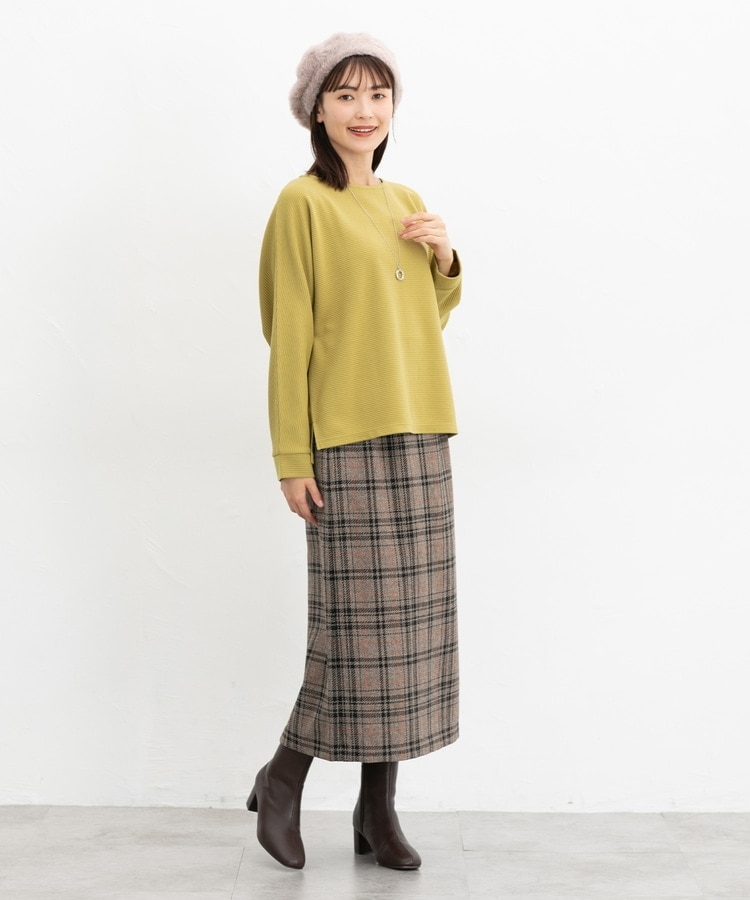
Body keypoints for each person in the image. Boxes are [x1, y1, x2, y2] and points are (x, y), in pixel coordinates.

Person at [248, 31, 462, 871]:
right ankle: (283, 778)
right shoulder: (302, 204)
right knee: (352, 634)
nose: (364, 111)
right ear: (317, 110)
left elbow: (421, 318)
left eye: (378, 94)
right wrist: (291, 458)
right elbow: (288, 336)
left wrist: (444, 257)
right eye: (345, 96)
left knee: (408, 638)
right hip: (343, 439)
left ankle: (378, 811)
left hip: (421, 428)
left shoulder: (404, 198)